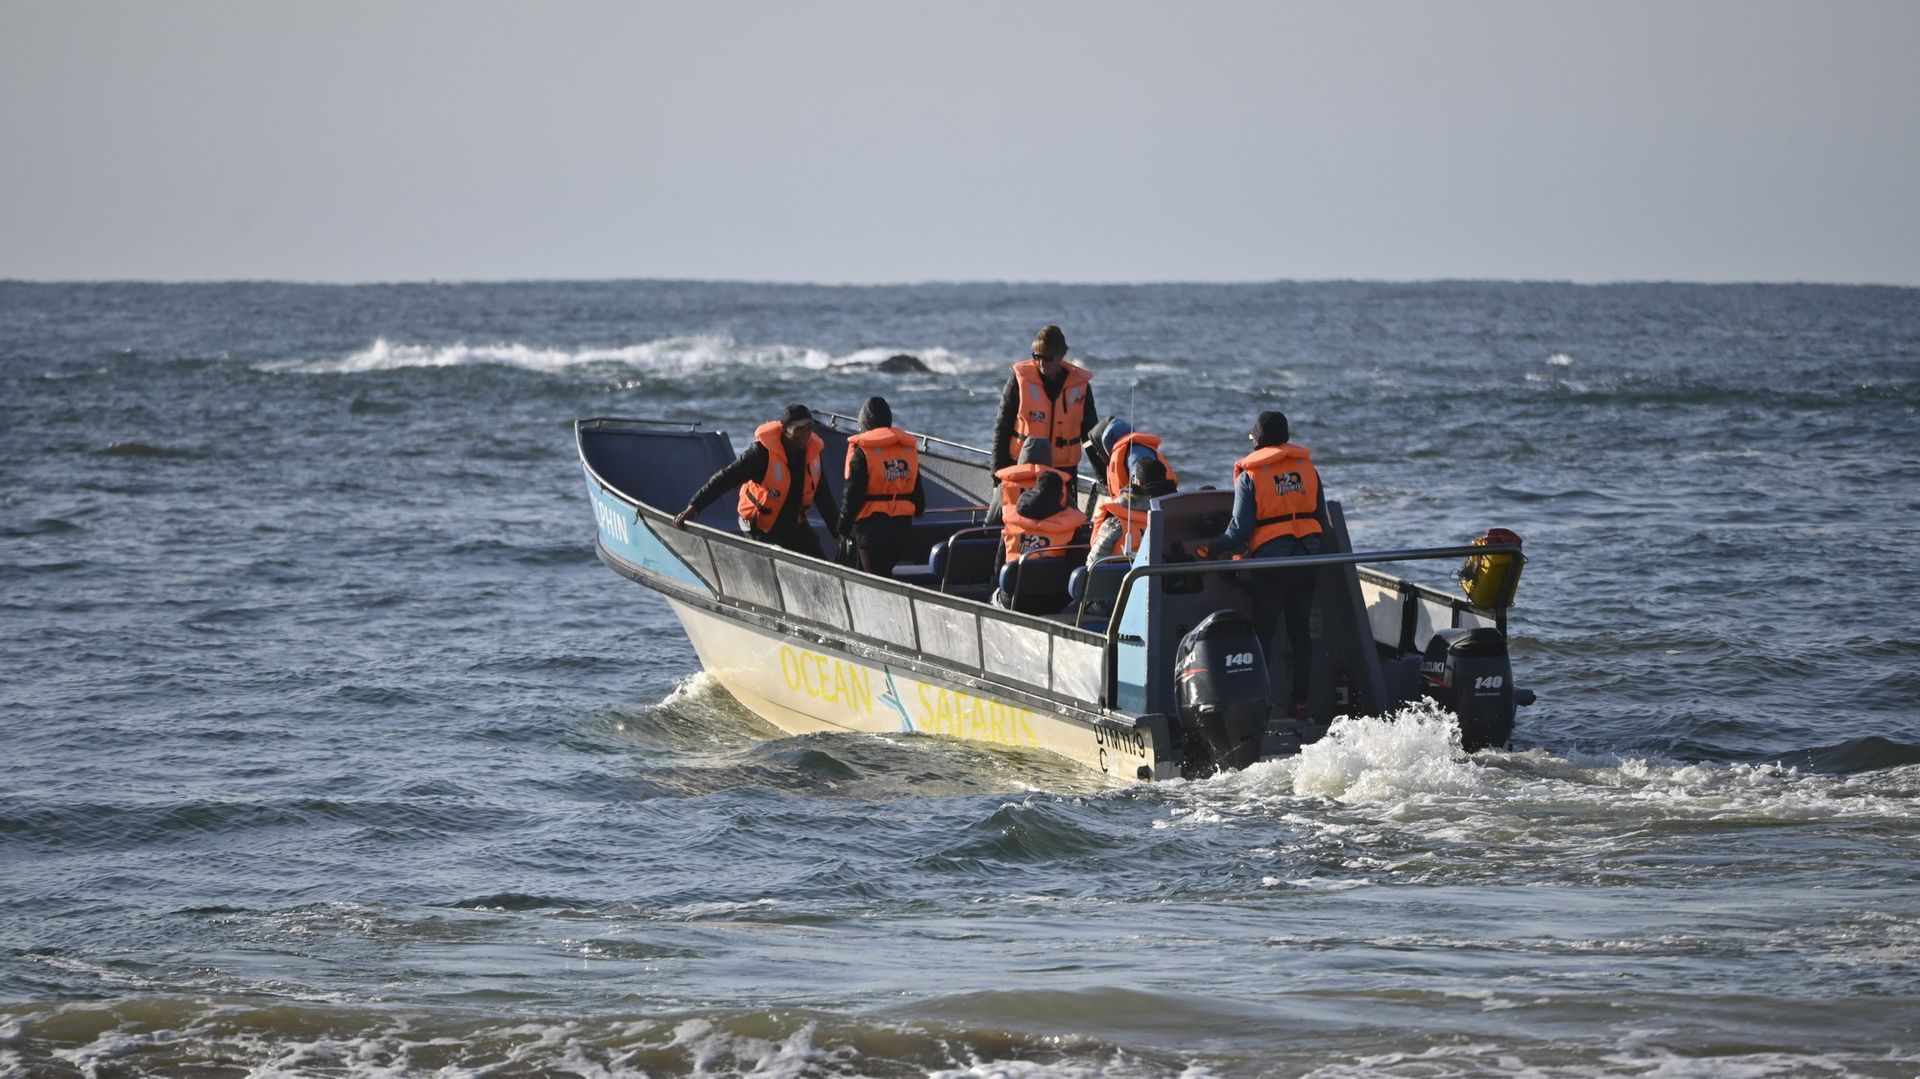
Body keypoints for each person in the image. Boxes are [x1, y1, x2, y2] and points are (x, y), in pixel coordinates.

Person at [1196, 410, 1328, 715]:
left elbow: (1239, 529)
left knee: (1262, 635)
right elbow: (1321, 518)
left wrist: (1212, 548)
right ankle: (1301, 701)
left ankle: (1261, 703)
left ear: (1258, 441)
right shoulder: (1308, 468)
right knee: (1300, 633)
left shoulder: (1250, 475)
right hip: (1309, 558)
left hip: (1272, 566)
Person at [671, 403, 839, 558]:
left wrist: (841, 535)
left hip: (792, 522)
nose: (805, 433)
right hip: (759, 524)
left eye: (809, 427)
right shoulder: (760, 453)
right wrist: (694, 507)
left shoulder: (812, 453)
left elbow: (824, 499)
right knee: (779, 556)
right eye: (799, 428)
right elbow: (724, 479)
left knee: (817, 555)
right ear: (785, 429)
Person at [990, 324, 1098, 485]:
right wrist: (997, 473)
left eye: (1047, 358)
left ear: (1061, 355)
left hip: (1064, 472)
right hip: (1023, 468)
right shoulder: (1019, 380)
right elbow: (1002, 427)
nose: (1041, 363)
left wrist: (1103, 475)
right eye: (1036, 356)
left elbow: (1090, 437)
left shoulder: (1080, 386)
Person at [836, 396, 924, 577]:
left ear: (864, 424)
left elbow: (853, 493)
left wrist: (843, 526)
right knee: (879, 575)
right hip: (901, 531)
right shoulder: (907, 450)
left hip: (871, 532)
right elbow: (918, 498)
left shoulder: (863, 452)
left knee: (875, 581)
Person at [993, 468, 1088, 608]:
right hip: (1056, 601)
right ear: (1061, 496)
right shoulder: (1072, 527)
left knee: (993, 595)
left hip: (1015, 600)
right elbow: (1079, 567)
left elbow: (998, 568)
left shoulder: (1011, 521)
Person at [1086, 456, 1179, 568]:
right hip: (1165, 581)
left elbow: (1093, 564)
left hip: (1119, 583)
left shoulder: (1115, 523)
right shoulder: (1175, 518)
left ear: (1137, 482)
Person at [1086, 416, 1179, 501]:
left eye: (1097, 448)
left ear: (1104, 444)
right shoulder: (1127, 451)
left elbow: (1151, 490)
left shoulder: (1136, 453)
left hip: (1152, 510)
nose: (1098, 453)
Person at [985, 436, 1067, 525]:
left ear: (1023, 454)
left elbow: (991, 521)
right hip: (1051, 537)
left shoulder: (1005, 486)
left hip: (1013, 537)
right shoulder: (1060, 487)